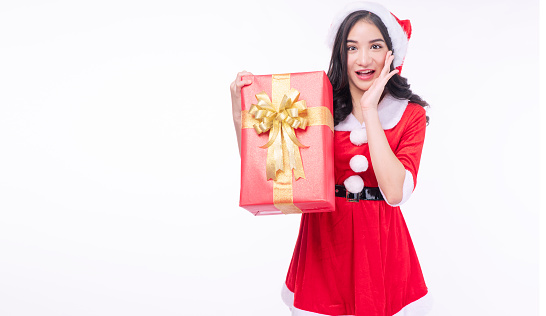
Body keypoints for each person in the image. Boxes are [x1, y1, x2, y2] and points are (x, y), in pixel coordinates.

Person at [230, 2, 432, 315]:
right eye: (352, 48)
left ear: (392, 54)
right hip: (325, 245)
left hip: (382, 247)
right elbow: (273, 178)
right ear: (341, 54)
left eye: (375, 46)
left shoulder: (410, 114)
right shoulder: (315, 107)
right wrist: (239, 112)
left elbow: (395, 192)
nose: (363, 59)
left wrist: (369, 111)